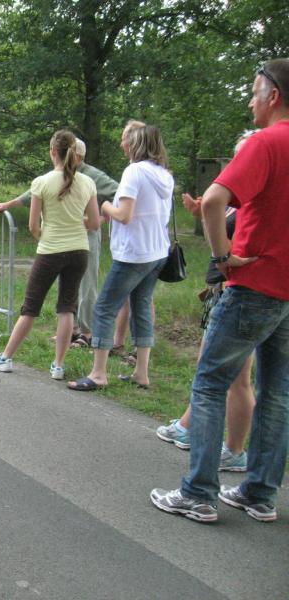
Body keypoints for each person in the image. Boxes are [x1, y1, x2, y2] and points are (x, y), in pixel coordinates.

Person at [151, 59, 289, 524]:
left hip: (252, 286)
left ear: (274, 95)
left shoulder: (265, 142)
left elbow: (214, 200)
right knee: (277, 392)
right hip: (286, 292)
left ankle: (198, 493)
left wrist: (222, 255)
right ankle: (259, 493)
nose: (250, 102)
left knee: (210, 383)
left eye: (254, 92)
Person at [156, 131, 258, 472]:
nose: (235, 163)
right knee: (217, 369)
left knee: (232, 376)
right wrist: (203, 211)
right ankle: (192, 427)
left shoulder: (256, 197)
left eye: (241, 156)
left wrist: (226, 262)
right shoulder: (242, 196)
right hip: (224, 290)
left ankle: (231, 450)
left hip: (234, 290)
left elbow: (244, 242)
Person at [0, 130, 100, 379]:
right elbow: (94, 223)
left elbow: (33, 225)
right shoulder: (87, 182)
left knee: (30, 307)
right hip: (79, 251)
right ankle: (58, 366)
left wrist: (44, 238)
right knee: (67, 308)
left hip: (50, 250)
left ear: (52, 152)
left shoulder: (42, 182)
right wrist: (74, 222)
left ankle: (5, 358)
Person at [68, 121, 173, 391]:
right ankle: (141, 373)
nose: (124, 144)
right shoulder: (164, 174)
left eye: (129, 140)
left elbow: (124, 215)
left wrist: (104, 205)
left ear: (138, 144)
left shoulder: (134, 171)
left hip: (134, 254)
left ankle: (98, 374)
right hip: (157, 252)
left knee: (104, 307)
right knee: (141, 307)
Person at [5, 137, 118, 348]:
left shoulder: (90, 176)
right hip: (67, 243)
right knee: (66, 295)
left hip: (79, 239)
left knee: (85, 286)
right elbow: (32, 194)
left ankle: (87, 331)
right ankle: (69, 335)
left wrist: (104, 215)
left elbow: (119, 193)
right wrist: (8, 204)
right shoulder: (61, 177)